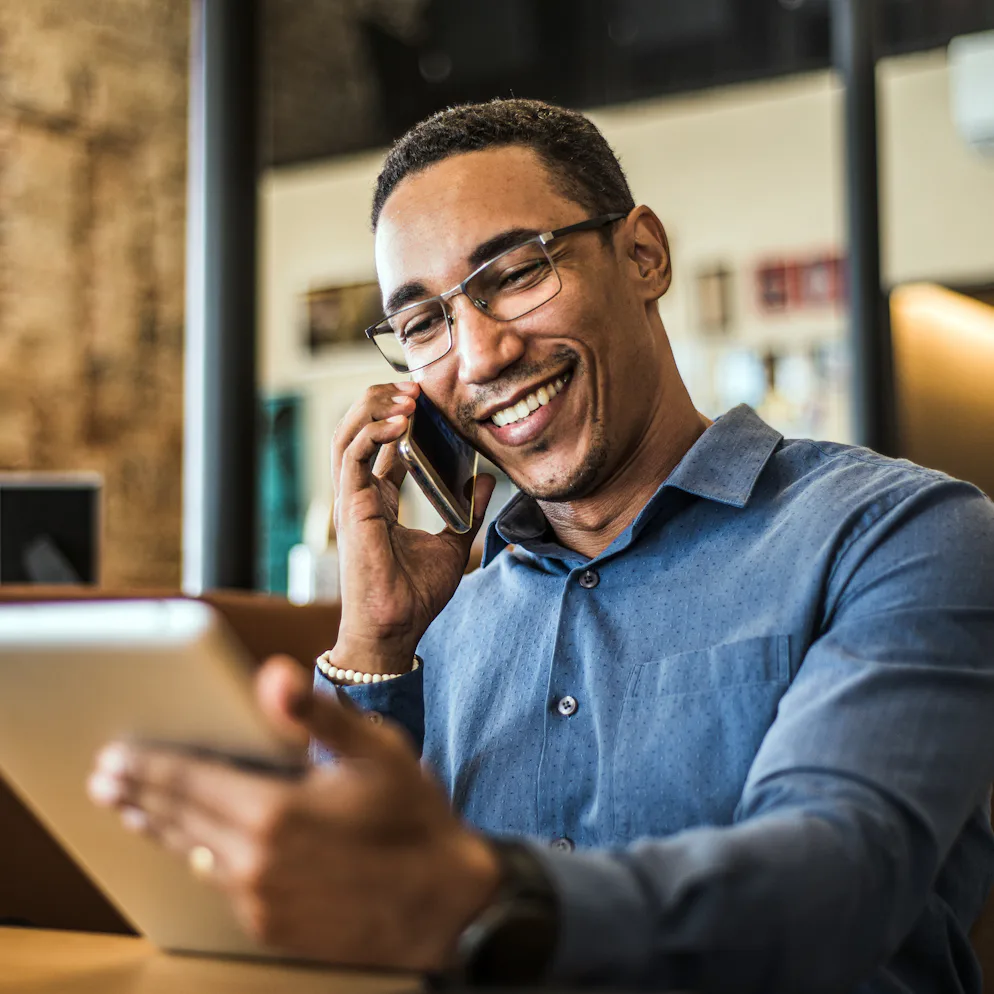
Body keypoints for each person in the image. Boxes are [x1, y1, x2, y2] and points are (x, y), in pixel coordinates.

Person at [88, 99, 994, 992]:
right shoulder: (443, 620)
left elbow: (837, 884)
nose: (479, 356)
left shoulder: (899, 535)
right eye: (423, 324)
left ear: (643, 255)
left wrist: (484, 902)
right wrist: (376, 645)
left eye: (516, 273)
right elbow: (337, 912)